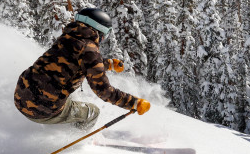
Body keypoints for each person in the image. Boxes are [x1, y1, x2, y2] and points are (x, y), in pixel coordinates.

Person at [14, 7, 151, 129]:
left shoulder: (67, 37)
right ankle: (77, 142)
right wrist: (134, 103)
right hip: (42, 110)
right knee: (93, 112)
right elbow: (103, 91)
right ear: (100, 31)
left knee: (71, 96)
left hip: (21, 95)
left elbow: (75, 62)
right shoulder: (89, 49)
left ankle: (63, 121)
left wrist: (108, 64)